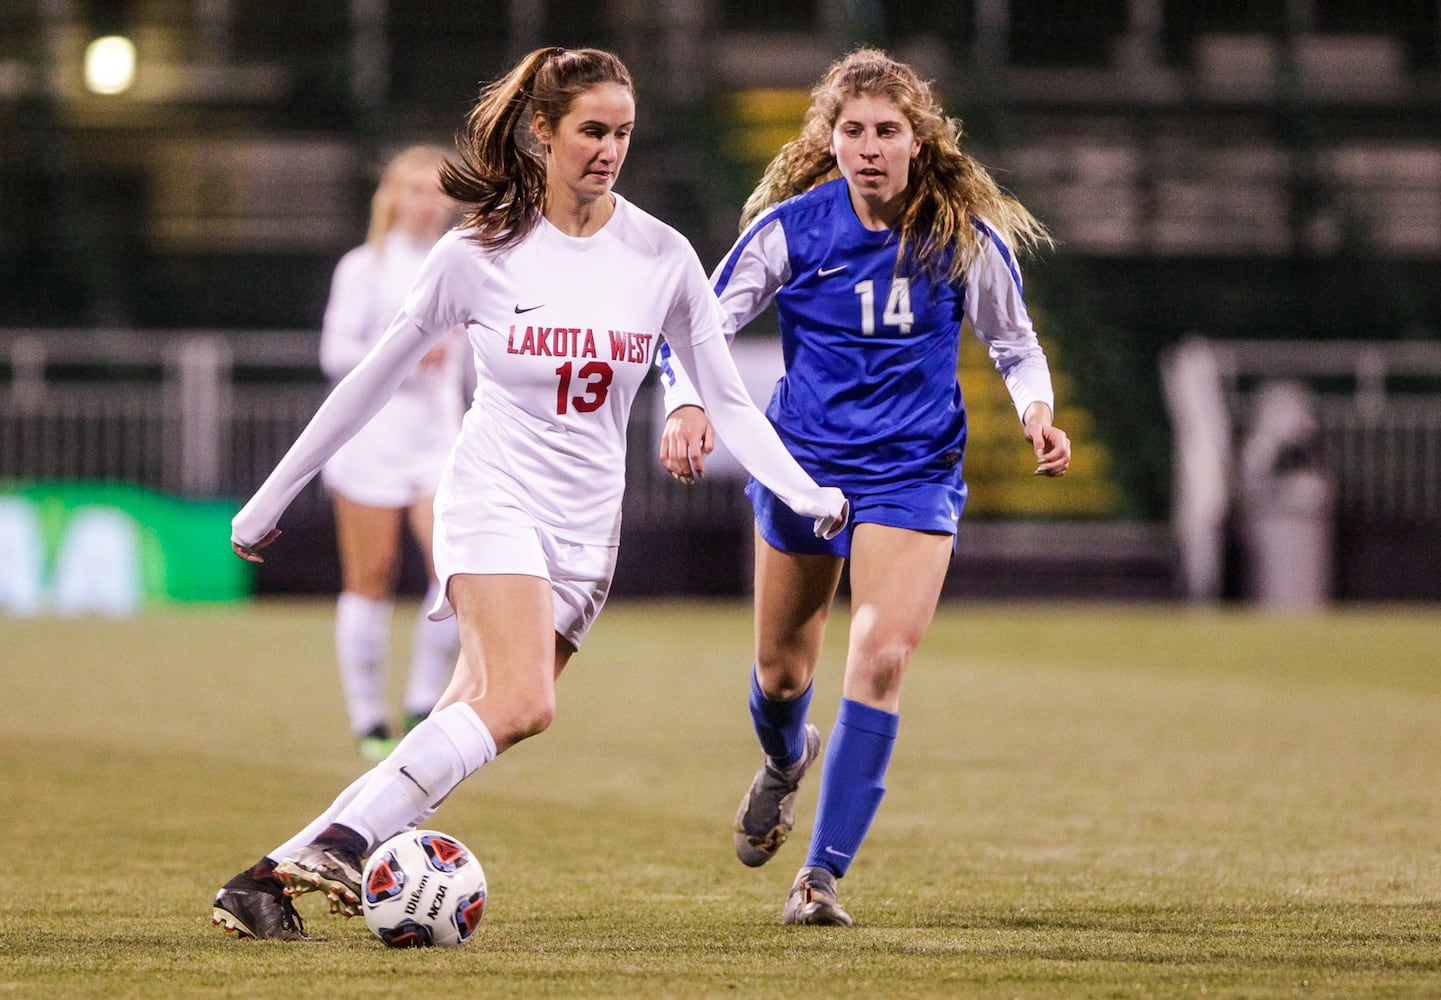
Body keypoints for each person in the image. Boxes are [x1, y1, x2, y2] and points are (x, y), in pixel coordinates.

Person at [210, 46, 848, 941]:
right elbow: (367, 381)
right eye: (591, 129)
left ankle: (264, 880)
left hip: (589, 528)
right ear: (542, 131)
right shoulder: (477, 253)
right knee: (523, 702)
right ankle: (347, 846)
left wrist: (801, 486)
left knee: (470, 720)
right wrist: (268, 499)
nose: (608, 149)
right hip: (492, 496)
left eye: (623, 132)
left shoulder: (660, 254)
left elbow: (730, 403)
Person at [655, 48, 1072, 926]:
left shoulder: (960, 235)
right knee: (779, 677)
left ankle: (818, 877)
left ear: (919, 141)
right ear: (829, 139)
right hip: (802, 471)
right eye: (854, 131)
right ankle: (781, 761)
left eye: (888, 131)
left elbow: (1014, 341)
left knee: (880, 657)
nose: (871, 146)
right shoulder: (789, 229)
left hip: (913, 472)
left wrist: (1035, 410)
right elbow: (696, 326)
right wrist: (686, 405)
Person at [318, 144, 466, 761]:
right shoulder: (364, 267)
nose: (427, 202)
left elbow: (482, 358)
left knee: (455, 574)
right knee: (370, 577)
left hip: (439, 439)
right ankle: (368, 719)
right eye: (415, 189)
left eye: (438, 190)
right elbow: (334, 354)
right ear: (392, 197)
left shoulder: (465, 262)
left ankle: (423, 704)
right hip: (371, 440)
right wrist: (399, 353)